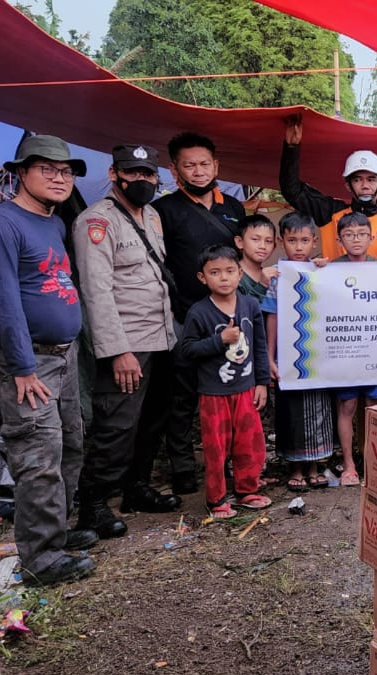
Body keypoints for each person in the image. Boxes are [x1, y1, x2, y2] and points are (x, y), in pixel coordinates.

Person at [0, 135, 97, 585]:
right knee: (37, 455)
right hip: (27, 362)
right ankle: (41, 560)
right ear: (21, 173)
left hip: (63, 355)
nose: (60, 178)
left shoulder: (54, 222)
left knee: (69, 444)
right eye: (47, 169)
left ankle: (55, 535)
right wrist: (22, 367)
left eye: (65, 172)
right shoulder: (0, 223)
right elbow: (1, 300)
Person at [72, 144, 180, 541]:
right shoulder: (96, 222)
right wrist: (118, 351)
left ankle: (136, 489)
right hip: (127, 344)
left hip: (162, 337)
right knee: (117, 425)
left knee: (153, 421)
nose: (142, 181)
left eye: (148, 174)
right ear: (115, 174)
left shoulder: (151, 215)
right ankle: (94, 504)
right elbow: (96, 292)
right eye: (133, 174)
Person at [154, 132, 246, 495]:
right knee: (183, 395)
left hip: (232, 315)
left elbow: (247, 256)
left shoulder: (234, 210)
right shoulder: (164, 211)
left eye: (204, 164)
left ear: (217, 166)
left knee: (231, 389)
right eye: (189, 165)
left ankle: (232, 463)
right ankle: (182, 466)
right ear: (174, 169)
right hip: (187, 315)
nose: (198, 171)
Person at [178, 245, 272, 519]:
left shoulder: (250, 304)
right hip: (214, 393)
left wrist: (262, 382)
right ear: (202, 277)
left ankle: (247, 490)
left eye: (230, 271)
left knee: (249, 443)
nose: (224, 278)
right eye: (215, 272)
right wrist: (219, 341)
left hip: (246, 389)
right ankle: (216, 498)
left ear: (240, 274)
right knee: (216, 447)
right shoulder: (199, 312)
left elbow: (259, 345)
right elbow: (188, 350)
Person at [262, 212, 335, 490]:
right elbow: (272, 316)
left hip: (318, 355)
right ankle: (295, 468)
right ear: (282, 242)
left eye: (305, 240)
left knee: (319, 407)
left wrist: (326, 268)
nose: (299, 247)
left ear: (314, 241)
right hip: (288, 355)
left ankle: (316, 465)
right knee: (291, 410)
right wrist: (270, 356)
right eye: (293, 240)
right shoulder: (279, 277)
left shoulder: (320, 271)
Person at [279, 117, 377, 261]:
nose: (365, 185)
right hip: (333, 284)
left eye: (371, 179)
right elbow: (293, 191)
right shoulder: (331, 213)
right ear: (348, 185)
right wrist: (291, 148)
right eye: (357, 180)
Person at [331, 211, 377, 485]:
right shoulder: (330, 270)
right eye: (349, 235)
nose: (356, 240)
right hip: (345, 354)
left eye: (362, 234)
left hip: (375, 351)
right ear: (339, 239)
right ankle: (349, 465)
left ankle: (374, 463)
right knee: (348, 406)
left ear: (371, 237)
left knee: (375, 406)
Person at [233, 213, 277, 303]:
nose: (263, 246)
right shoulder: (231, 275)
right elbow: (239, 311)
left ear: (274, 247)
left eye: (269, 241)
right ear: (239, 242)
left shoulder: (273, 276)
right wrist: (262, 285)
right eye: (255, 239)